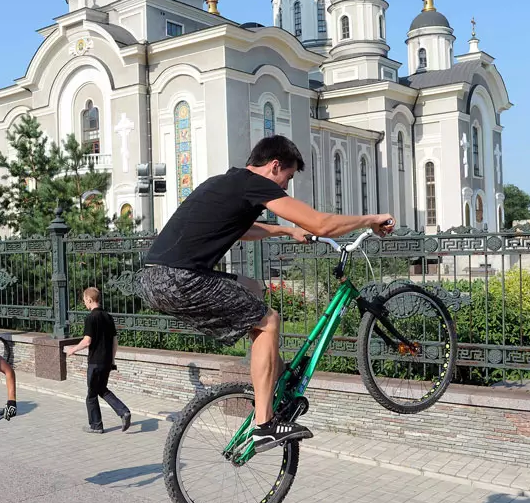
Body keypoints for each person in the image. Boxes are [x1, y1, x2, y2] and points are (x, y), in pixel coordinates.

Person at [137, 136, 394, 452]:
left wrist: (285, 230)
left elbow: (241, 229)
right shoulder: (255, 184)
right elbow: (322, 224)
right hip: (180, 279)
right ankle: (264, 424)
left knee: (253, 288)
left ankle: (276, 369)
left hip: (154, 278)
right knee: (269, 321)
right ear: (274, 166)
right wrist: (370, 219)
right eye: (287, 179)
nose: (285, 189)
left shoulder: (227, 183)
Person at [64, 288, 131, 434]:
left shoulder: (91, 318)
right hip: (106, 361)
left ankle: (96, 425)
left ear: (89, 299)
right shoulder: (108, 317)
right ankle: (123, 412)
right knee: (102, 390)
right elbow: (115, 342)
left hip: (95, 362)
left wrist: (72, 350)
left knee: (91, 395)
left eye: (84, 300)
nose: (84, 302)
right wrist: (112, 360)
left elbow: (87, 341)